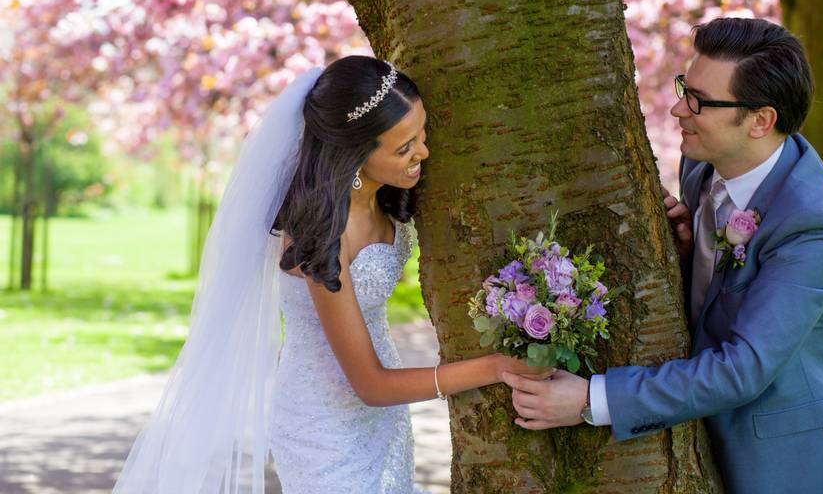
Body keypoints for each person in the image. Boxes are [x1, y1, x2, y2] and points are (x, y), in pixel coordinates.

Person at [113, 56, 550, 494]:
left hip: (384, 419)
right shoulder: (319, 234)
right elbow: (371, 385)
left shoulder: (390, 199)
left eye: (422, 133)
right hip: (324, 424)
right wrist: (495, 366)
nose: (424, 153)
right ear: (355, 155)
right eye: (404, 148)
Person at [502, 18, 823, 493]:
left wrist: (592, 399)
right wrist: (689, 255)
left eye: (699, 101)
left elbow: (746, 365)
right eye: (686, 87)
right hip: (699, 431)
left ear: (761, 120)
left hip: (787, 455)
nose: (678, 108)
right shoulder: (701, 163)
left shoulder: (812, 221)